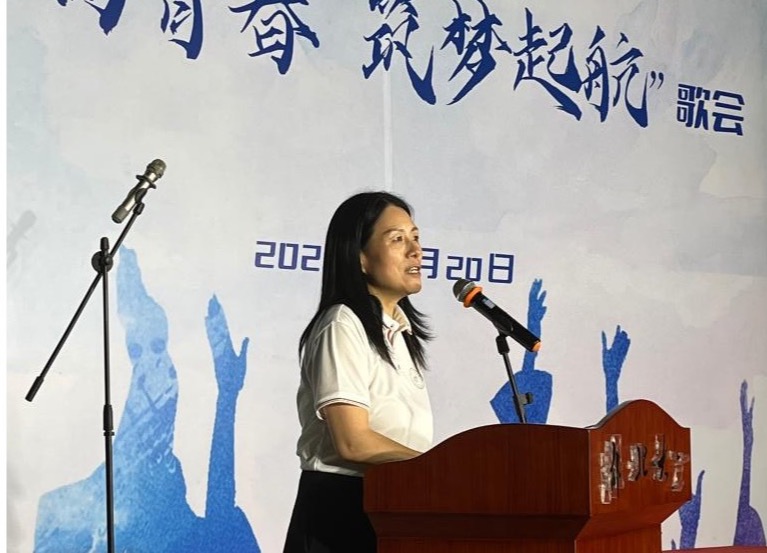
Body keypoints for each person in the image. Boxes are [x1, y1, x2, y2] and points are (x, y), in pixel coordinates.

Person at [283, 191, 433, 553]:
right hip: (339, 513)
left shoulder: (398, 332)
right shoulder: (342, 324)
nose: (416, 250)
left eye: (415, 237)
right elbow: (353, 442)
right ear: (360, 257)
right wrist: (437, 472)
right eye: (397, 239)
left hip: (388, 504)